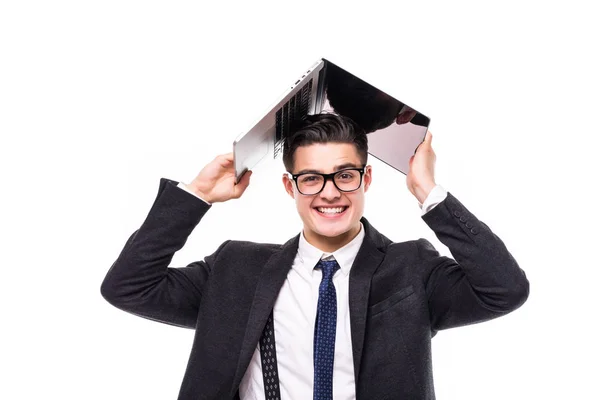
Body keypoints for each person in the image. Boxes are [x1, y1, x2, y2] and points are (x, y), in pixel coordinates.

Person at [101, 113, 529, 399]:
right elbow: (128, 288)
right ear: (290, 188)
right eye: (310, 178)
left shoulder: (411, 268)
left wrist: (427, 192)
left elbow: (504, 290)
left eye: (345, 175)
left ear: (366, 179)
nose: (329, 192)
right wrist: (196, 195)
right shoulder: (235, 268)